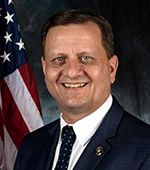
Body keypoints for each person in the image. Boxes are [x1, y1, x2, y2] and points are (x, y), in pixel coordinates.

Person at [13, 9, 150, 170]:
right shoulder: (31, 146)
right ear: (45, 68)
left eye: (86, 58)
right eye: (59, 59)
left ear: (111, 69)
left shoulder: (145, 149)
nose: (71, 72)